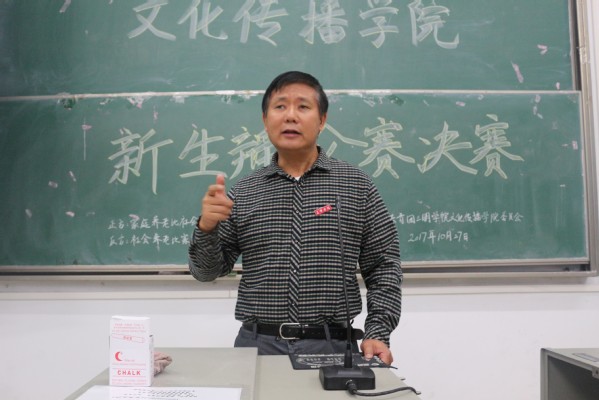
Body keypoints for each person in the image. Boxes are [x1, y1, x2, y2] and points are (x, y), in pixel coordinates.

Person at [188, 71, 402, 365]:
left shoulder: (356, 185)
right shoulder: (243, 192)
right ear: (265, 120)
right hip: (258, 346)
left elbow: (383, 267)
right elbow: (206, 272)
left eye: (303, 106)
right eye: (280, 106)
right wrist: (207, 227)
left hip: (332, 346)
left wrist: (378, 332)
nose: (290, 116)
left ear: (322, 120)